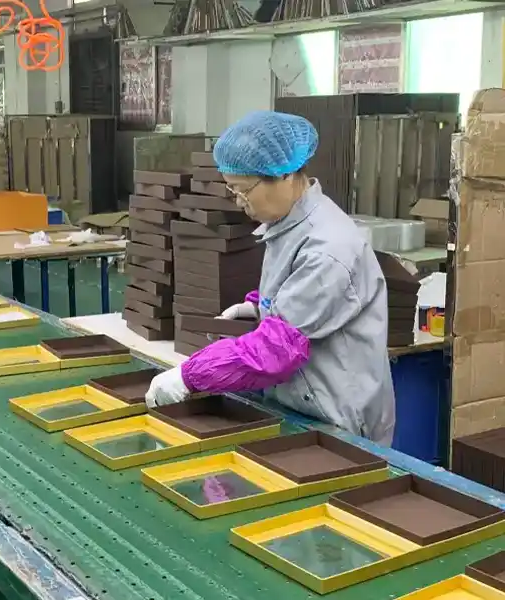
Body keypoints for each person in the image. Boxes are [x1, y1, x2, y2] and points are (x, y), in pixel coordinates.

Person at [145, 111, 395, 446]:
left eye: (242, 189)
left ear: (285, 175)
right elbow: (297, 290)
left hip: (339, 421)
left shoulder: (329, 249)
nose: (238, 201)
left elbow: (274, 351)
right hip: (301, 403)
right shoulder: (290, 223)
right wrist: (258, 307)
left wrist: (191, 376)